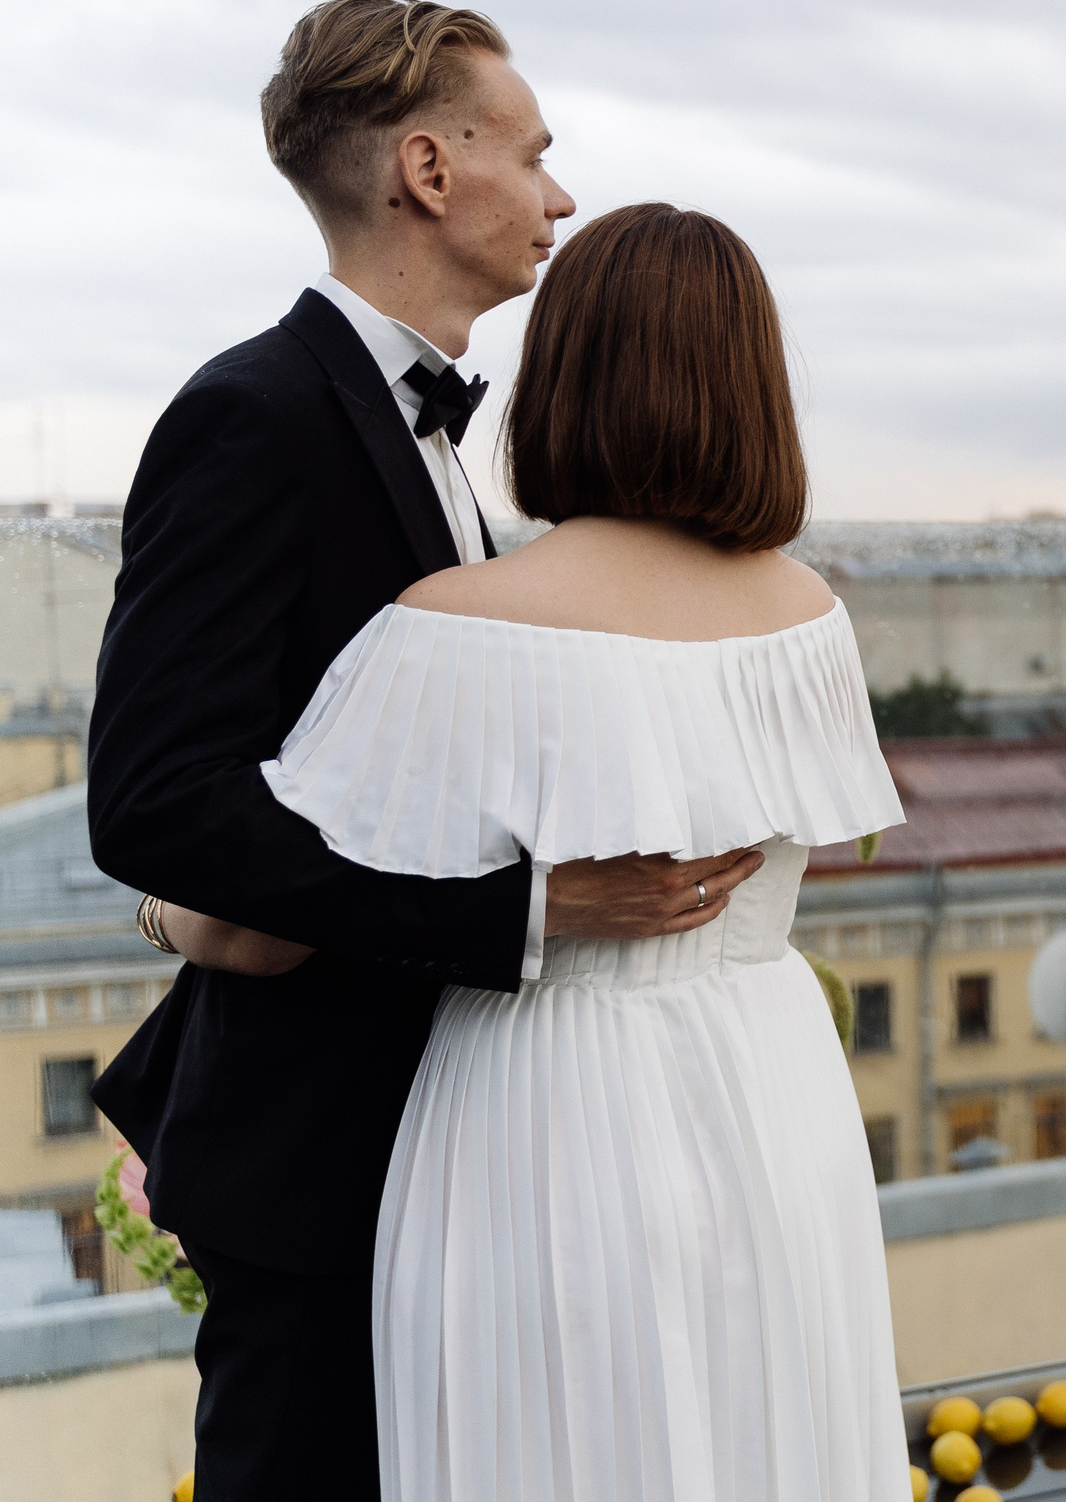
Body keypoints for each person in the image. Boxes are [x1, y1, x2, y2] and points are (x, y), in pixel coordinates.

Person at [89, 0, 769, 1500]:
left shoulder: (436, 438)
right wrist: (524, 911)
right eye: (534, 153)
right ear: (429, 169)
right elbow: (154, 803)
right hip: (317, 1151)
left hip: (456, 1135)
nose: (561, 196)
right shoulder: (252, 415)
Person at [259, 200, 910, 1499]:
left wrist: (162, 913)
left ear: (564, 377)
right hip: (774, 1093)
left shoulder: (456, 627)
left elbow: (267, 914)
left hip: (545, 1107)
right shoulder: (811, 619)